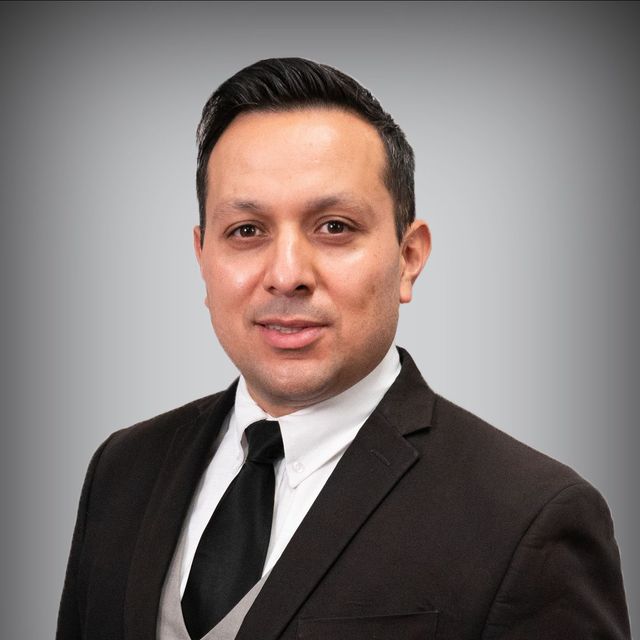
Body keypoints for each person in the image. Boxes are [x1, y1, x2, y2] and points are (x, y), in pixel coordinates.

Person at [56, 58, 631, 640]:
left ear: (408, 257)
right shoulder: (123, 469)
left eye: (334, 226)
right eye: (246, 231)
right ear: (203, 257)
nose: (286, 275)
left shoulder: (528, 517)